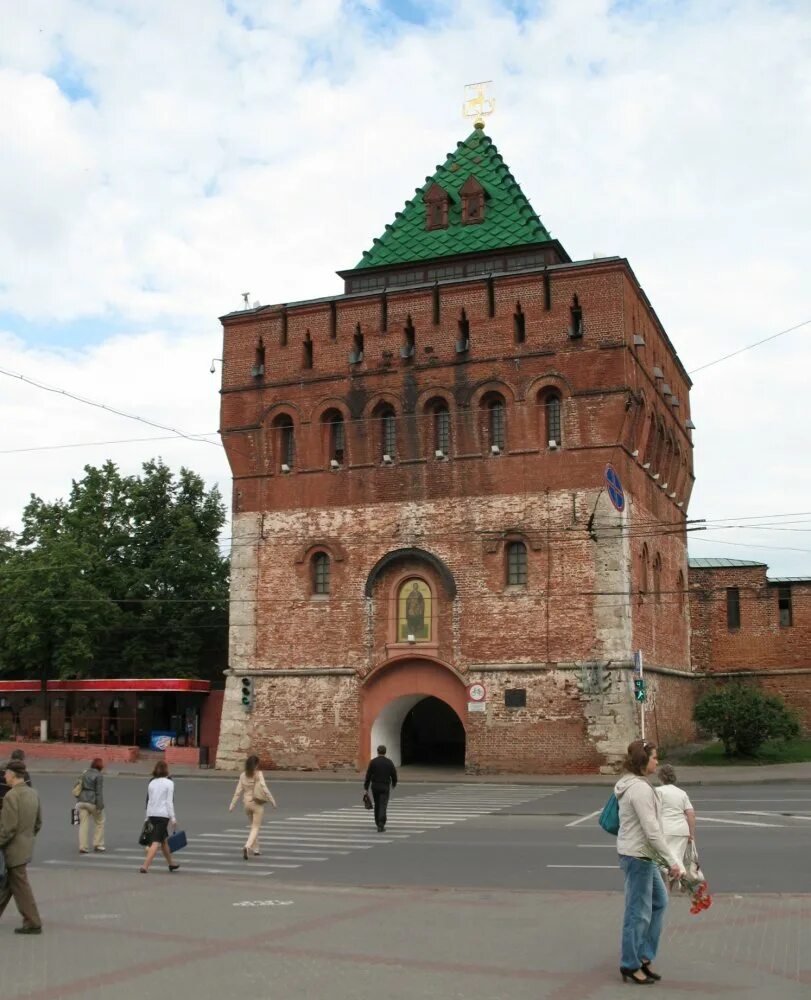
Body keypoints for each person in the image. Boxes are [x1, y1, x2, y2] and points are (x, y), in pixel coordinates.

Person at [614, 740, 684, 985]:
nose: (658, 761)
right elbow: (652, 830)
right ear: (644, 761)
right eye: (655, 757)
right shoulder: (639, 789)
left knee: (659, 902)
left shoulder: (633, 785)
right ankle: (630, 964)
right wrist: (672, 861)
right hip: (638, 855)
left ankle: (643, 956)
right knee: (637, 913)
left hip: (643, 854)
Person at [0, 760, 43, 934]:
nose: (4, 776)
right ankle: (32, 921)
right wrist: (27, 838)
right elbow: (38, 823)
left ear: (12, 774)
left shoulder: (11, 796)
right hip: (26, 846)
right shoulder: (33, 793)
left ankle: (33, 922)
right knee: (8, 885)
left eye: (6, 773)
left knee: (20, 887)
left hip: (13, 849)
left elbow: (8, 828)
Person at [229, 754, 276, 860]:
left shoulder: (242, 775)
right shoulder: (258, 774)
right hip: (257, 804)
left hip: (246, 804)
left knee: (253, 827)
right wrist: (272, 801)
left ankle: (256, 850)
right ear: (256, 765)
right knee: (255, 827)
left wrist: (232, 805)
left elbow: (238, 792)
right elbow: (264, 788)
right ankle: (247, 846)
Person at [656, 764, 697, 874]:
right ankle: (675, 881)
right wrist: (691, 834)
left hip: (665, 829)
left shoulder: (658, 791)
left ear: (660, 777)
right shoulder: (682, 793)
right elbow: (691, 814)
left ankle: (680, 872)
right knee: (676, 856)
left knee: (662, 859)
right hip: (681, 830)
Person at [140, 760, 179, 874]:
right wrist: (173, 818)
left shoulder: (151, 783)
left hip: (152, 814)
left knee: (164, 841)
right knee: (156, 842)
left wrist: (147, 817)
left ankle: (171, 864)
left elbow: (149, 801)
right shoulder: (169, 783)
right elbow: (169, 802)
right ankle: (145, 866)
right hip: (163, 815)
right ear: (166, 770)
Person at [363, 745, 398, 833]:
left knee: (377, 804)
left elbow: (368, 775)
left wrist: (366, 788)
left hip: (375, 786)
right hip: (385, 786)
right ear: (385, 752)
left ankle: (377, 822)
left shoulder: (373, 762)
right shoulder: (389, 762)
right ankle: (381, 824)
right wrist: (394, 783)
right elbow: (394, 774)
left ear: (378, 752)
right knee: (383, 805)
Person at [76, 757, 106, 854]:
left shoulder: (84, 772)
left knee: (83, 824)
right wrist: (100, 806)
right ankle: (98, 844)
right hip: (92, 801)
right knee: (100, 821)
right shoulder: (99, 776)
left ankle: (83, 847)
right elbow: (99, 792)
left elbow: (77, 786)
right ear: (100, 766)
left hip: (81, 801)